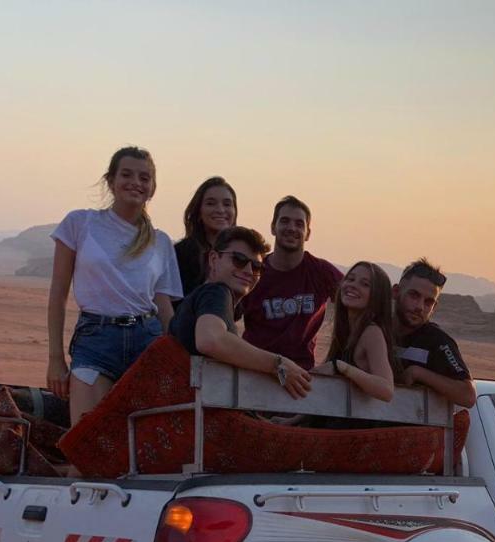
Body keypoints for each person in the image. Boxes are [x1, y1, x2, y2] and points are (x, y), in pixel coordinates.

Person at [47, 146, 182, 424]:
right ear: (111, 180)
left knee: (142, 445)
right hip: (96, 340)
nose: (136, 183)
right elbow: (58, 294)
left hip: (147, 342)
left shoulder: (161, 242)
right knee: (87, 445)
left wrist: (179, 358)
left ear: (153, 188)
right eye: (127, 174)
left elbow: (164, 307)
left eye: (144, 178)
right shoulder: (80, 223)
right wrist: (55, 359)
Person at [169, 226, 311, 399]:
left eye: (257, 267)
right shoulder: (217, 292)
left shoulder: (202, 298)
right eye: (238, 259)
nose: (249, 271)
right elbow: (210, 340)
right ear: (214, 259)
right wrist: (278, 364)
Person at [240, 195, 343, 369]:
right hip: (256, 370)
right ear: (273, 227)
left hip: (302, 373)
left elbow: (356, 304)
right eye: (285, 221)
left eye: (299, 224)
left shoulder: (320, 271)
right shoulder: (254, 270)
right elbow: (225, 318)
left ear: (308, 233)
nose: (291, 228)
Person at [394, 258, 477, 408]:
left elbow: (468, 396)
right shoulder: (375, 331)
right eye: (414, 295)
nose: (419, 307)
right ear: (396, 292)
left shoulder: (438, 341)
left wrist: (418, 373)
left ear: (434, 307)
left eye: (428, 302)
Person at [311, 262, 396, 402]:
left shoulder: (371, 333)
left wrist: (340, 368)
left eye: (365, 284)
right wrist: (294, 420)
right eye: (350, 279)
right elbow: (327, 395)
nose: (353, 285)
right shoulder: (345, 331)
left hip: (354, 422)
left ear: (377, 296)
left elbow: (386, 390)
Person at [175, 177, 237, 297]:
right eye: (211, 203)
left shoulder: (242, 255)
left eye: (227, 204)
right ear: (199, 211)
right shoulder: (180, 254)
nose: (220, 210)